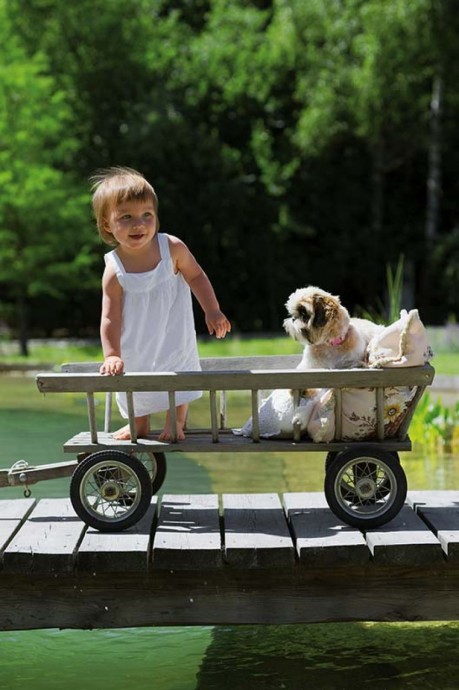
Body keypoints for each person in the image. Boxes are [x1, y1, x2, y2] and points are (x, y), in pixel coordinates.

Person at [90, 166, 231, 441]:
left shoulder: (172, 248)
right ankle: (138, 423)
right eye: (126, 217)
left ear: (156, 217)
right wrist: (112, 354)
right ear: (108, 224)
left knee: (179, 369)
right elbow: (110, 317)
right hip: (136, 338)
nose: (138, 224)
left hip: (173, 330)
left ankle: (176, 422)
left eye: (147, 215)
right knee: (134, 376)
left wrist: (212, 310)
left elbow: (197, 276)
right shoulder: (114, 269)